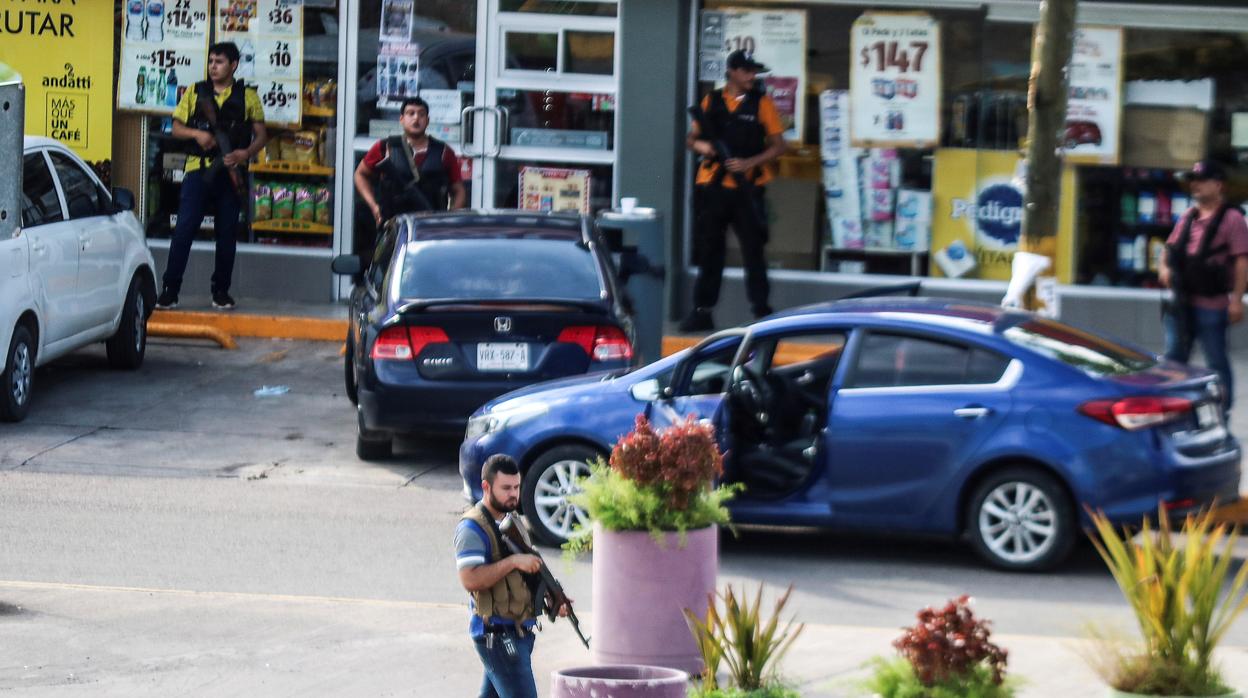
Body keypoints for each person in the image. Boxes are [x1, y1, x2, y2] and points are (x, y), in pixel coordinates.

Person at [679, 49, 788, 333]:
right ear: (733, 72)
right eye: (747, 71)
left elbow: (779, 146)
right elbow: (692, 139)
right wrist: (707, 147)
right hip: (712, 186)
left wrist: (748, 163)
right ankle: (702, 310)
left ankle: (762, 311)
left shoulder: (762, 103)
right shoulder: (711, 101)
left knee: (754, 252)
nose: (753, 76)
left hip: (747, 187)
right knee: (710, 251)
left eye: (754, 71)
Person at [157, 42, 268, 311]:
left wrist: (245, 153)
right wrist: (198, 134)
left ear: (234, 65)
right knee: (184, 229)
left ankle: (221, 291)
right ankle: (170, 290)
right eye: (210, 62)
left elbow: (262, 134)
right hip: (198, 169)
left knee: (227, 233)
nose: (213, 67)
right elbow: (176, 128)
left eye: (219, 62)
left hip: (231, 172)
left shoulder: (248, 96)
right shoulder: (196, 92)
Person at [454, 455, 569, 698]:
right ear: (486, 487)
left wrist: (551, 595)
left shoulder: (511, 520)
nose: (514, 494)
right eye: (506, 488)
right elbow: (470, 580)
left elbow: (530, 571)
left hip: (518, 631)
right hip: (498, 636)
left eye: (516, 487)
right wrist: (513, 562)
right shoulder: (471, 529)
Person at [1159, 159, 1248, 410]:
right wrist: (1165, 269)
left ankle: (1223, 411)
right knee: (1174, 362)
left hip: (1212, 305)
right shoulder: (1188, 215)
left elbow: (1242, 261)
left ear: (1218, 185)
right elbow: (1168, 249)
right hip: (1180, 303)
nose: (1194, 185)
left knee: (1216, 362)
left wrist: (1237, 300)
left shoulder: (1232, 219)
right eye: (1192, 181)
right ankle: (1171, 410)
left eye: (1201, 180)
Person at [354, 96, 467, 227]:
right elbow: (360, 175)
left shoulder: (443, 152)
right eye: (410, 113)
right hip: (393, 225)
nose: (416, 118)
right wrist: (374, 207)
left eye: (421, 114)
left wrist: (449, 220)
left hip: (430, 226)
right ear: (401, 119)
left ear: (428, 120)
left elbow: (459, 190)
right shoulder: (385, 147)